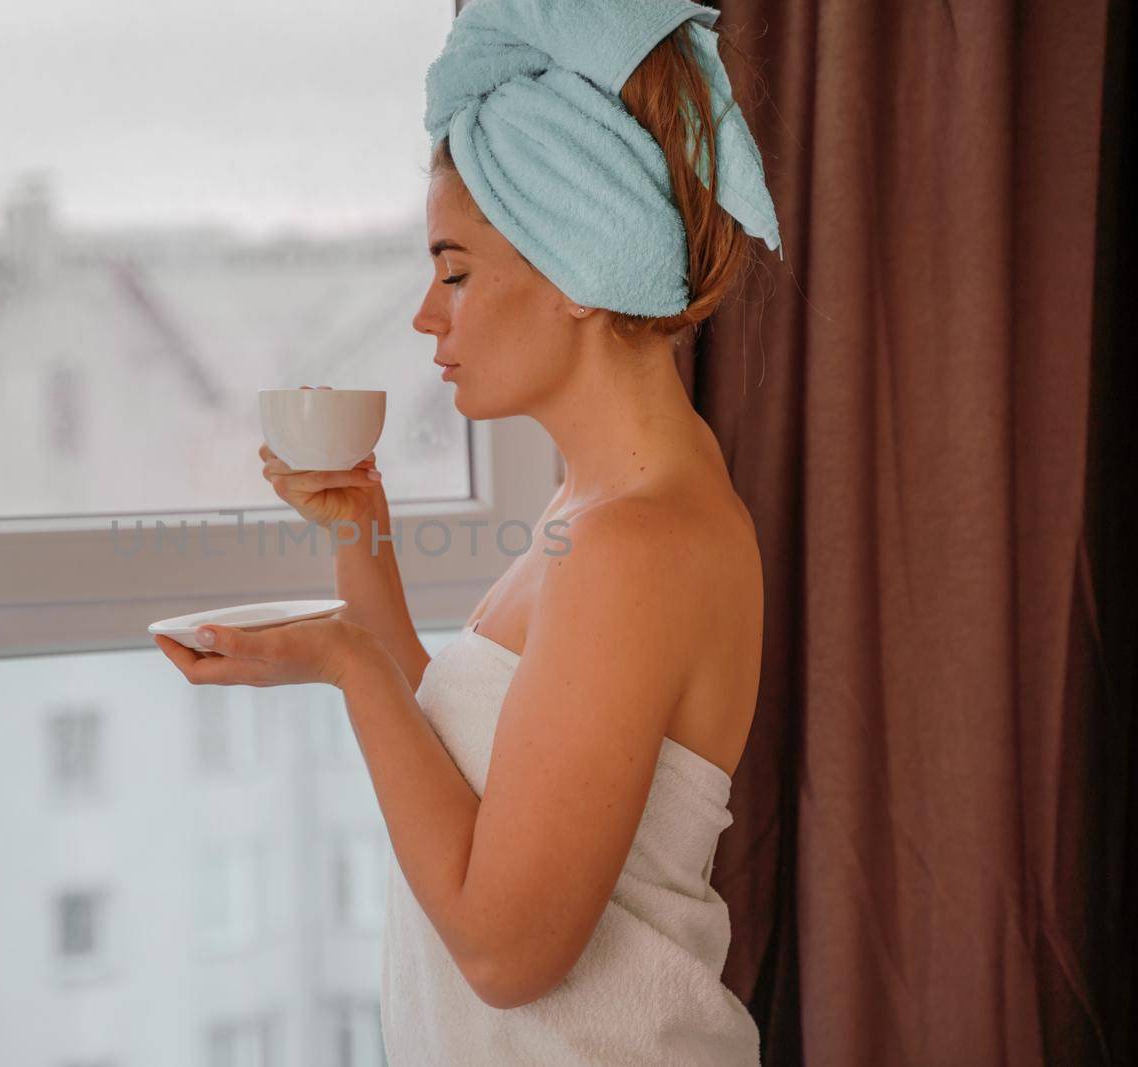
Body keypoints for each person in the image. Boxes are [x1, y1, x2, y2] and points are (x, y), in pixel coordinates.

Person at [155, 1, 780, 1062]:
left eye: (454, 271)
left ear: (581, 264)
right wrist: (364, 538)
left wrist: (348, 663)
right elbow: (473, 776)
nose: (424, 315)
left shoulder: (638, 543)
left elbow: (505, 949)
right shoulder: (599, 505)